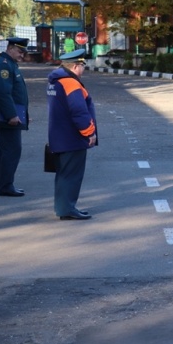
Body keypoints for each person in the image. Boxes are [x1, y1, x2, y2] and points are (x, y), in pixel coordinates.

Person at [47, 49, 97, 220]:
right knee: (72, 175)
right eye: (83, 65)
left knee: (64, 174)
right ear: (76, 66)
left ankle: (63, 207)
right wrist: (89, 132)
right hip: (72, 137)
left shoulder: (56, 81)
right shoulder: (71, 83)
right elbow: (78, 111)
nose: (84, 69)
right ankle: (67, 209)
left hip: (59, 135)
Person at [0, 37, 30, 197]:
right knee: (12, 150)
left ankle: (4, 185)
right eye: (20, 51)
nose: (22, 55)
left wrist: (23, 114)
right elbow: (3, 93)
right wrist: (11, 115)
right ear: (10, 48)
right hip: (6, 117)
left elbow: (15, 94)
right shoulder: (2, 66)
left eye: (23, 52)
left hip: (10, 116)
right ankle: (6, 186)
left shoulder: (10, 64)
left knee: (7, 150)